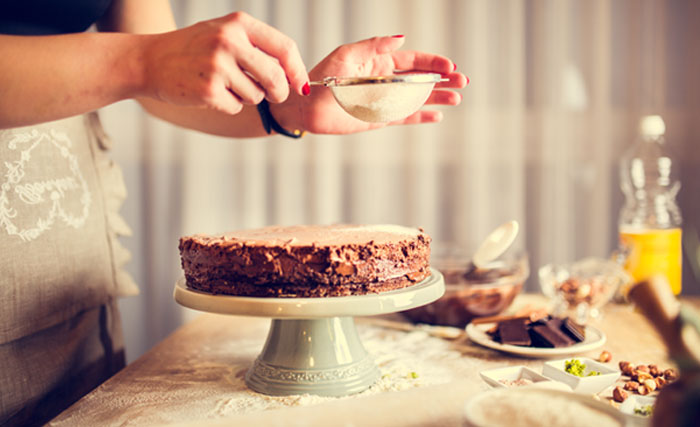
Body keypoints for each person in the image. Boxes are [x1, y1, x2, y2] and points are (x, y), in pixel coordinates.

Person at [0, 0, 467, 425]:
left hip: (72, 255)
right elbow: (144, 64)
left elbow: (159, 84)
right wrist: (143, 60)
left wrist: (294, 107)